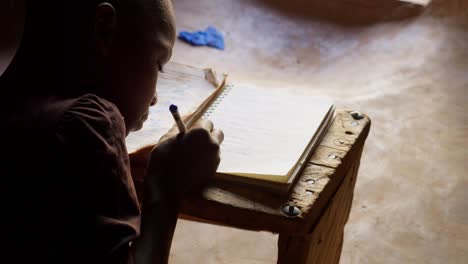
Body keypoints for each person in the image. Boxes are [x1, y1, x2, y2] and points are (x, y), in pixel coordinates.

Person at [0, 0, 223, 263]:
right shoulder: (87, 124)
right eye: (158, 64)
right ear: (104, 29)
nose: (155, 98)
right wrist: (166, 186)